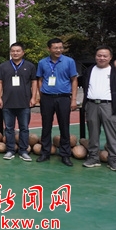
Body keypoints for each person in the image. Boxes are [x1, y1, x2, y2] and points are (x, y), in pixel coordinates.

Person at [36, 38, 78, 167]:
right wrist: (41, 95)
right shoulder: (42, 62)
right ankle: (45, 152)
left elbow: (74, 80)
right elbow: (40, 79)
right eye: (55, 48)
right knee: (46, 126)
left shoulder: (69, 61)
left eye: (60, 47)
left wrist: (73, 99)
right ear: (49, 49)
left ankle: (65, 155)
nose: (58, 50)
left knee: (64, 126)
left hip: (63, 98)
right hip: (47, 98)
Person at [0, 42, 38, 162]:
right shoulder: (3, 66)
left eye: (18, 51)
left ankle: (23, 151)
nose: (15, 53)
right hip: (7, 102)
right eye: (13, 51)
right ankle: (10, 150)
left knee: (24, 128)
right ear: (10, 52)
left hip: (24, 102)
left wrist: (34, 97)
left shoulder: (30, 66)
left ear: (23, 52)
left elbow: (34, 82)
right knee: (9, 128)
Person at [82, 46, 116, 171]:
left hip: (109, 105)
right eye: (99, 55)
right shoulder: (89, 70)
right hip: (91, 105)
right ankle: (93, 158)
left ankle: (113, 160)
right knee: (93, 133)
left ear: (110, 57)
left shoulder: (115, 71)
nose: (101, 58)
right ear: (95, 56)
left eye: (105, 56)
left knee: (111, 134)